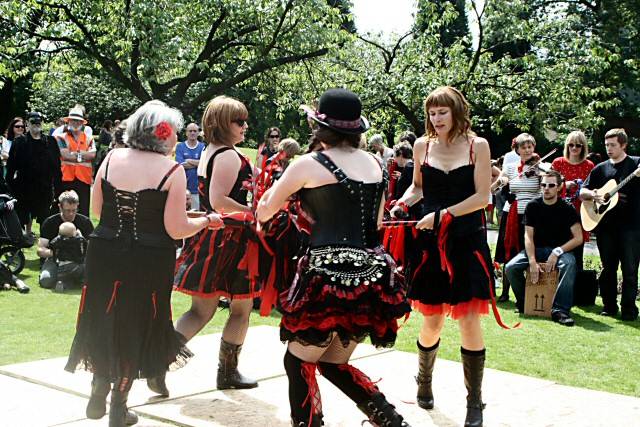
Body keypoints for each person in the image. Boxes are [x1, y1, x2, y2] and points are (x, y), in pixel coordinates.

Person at [258, 88, 411, 427]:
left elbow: (266, 209)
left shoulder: (308, 164)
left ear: (319, 127)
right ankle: (388, 418)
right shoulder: (375, 164)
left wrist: (274, 194)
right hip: (372, 277)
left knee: (297, 360)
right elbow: (377, 224)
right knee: (331, 362)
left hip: (325, 277)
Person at [65, 100, 222, 427]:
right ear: (161, 134)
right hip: (148, 260)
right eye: (174, 131)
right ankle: (119, 407)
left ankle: (98, 386)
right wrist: (205, 220)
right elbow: (175, 228)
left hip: (105, 251)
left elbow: (97, 211)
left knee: (103, 316)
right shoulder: (171, 170)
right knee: (138, 326)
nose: (177, 137)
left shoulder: (110, 158)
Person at [391, 86, 493, 427]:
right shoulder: (422, 145)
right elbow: (419, 187)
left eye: (442, 113)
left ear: (456, 112)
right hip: (430, 242)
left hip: (467, 240)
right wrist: (404, 201)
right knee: (431, 321)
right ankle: (423, 380)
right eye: (432, 113)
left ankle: (474, 402)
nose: (436, 119)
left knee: (468, 320)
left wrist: (443, 215)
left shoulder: (478, 146)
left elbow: (482, 197)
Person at [172, 96, 261, 395]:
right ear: (223, 123)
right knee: (240, 308)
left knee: (201, 310)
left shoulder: (213, 152)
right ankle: (228, 373)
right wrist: (254, 213)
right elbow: (219, 201)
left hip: (214, 236)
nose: (245, 126)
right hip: (230, 240)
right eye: (239, 121)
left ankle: (155, 362)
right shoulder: (227, 155)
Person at [505, 170, 583, 326]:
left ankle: (560, 310)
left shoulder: (567, 208)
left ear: (559, 187)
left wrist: (557, 251)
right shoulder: (533, 206)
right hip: (537, 248)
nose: (546, 188)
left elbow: (578, 238)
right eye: (543, 185)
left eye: (551, 185)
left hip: (560, 250)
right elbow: (528, 236)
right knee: (511, 267)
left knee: (569, 264)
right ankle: (524, 301)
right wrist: (532, 261)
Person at [580, 128, 640, 321]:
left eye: (613, 145)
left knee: (630, 270)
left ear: (623, 145)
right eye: (607, 145)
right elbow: (582, 192)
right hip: (606, 228)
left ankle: (629, 310)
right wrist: (595, 194)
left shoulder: (636, 164)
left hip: (631, 227)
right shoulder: (601, 168)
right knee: (608, 269)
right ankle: (609, 306)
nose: (609, 148)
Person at [491, 133, 543, 302]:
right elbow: (499, 182)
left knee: (530, 252)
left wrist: (541, 174)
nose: (527, 150)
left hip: (532, 215)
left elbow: (546, 187)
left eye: (530, 147)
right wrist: (502, 182)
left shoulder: (540, 167)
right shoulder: (511, 167)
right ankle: (505, 292)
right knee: (509, 252)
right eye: (523, 147)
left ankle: (530, 293)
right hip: (511, 213)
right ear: (517, 150)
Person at [6, 112, 62, 235]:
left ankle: (44, 247)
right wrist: (10, 189)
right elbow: (11, 167)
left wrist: (58, 189)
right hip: (24, 189)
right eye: (33, 122)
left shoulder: (51, 142)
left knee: (45, 221)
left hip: (44, 189)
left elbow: (57, 168)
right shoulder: (19, 142)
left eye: (39, 122)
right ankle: (18, 249)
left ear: (42, 123)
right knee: (21, 219)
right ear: (27, 124)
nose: (36, 124)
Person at [551, 131, 594, 270]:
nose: (574, 148)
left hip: (580, 212)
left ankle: (576, 288)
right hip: (559, 212)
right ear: (566, 146)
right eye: (571, 145)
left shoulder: (589, 165)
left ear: (583, 147)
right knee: (557, 248)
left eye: (578, 145)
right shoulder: (558, 163)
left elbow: (593, 189)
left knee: (577, 252)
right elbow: (548, 186)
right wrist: (564, 185)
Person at [38, 190, 94, 290]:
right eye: (68, 210)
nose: (71, 213)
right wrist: (58, 253)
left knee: (93, 279)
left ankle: (69, 280)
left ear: (77, 206)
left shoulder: (85, 222)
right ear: (60, 207)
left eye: (74, 210)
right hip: (56, 260)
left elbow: (92, 248)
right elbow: (40, 250)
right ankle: (71, 279)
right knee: (46, 281)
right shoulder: (50, 222)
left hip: (79, 260)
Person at [55, 107, 97, 216]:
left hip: (84, 179)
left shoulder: (89, 138)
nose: (76, 123)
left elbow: (92, 155)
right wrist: (82, 155)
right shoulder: (61, 138)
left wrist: (74, 154)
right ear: (68, 121)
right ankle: (64, 231)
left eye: (78, 121)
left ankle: (82, 232)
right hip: (66, 178)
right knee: (64, 209)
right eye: (73, 120)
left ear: (83, 123)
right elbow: (65, 155)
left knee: (83, 211)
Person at [48, 222, 87, 292]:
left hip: (62, 267)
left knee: (66, 280)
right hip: (75, 266)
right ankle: (83, 283)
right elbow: (84, 243)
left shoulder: (58, 241)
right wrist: (80, 234)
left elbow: (52, 244)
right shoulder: (78, 240)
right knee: (83, 272)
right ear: (74, 233)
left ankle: (62, 284)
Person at [175, 123, 206, 211]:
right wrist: (198, 163)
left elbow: (205, 164)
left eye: (195, 131)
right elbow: (180, 165)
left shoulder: (202, 146)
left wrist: (189, 160)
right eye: (190, 131)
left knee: (196, 214)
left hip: (198, 189)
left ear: (198, 133)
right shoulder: (180, 146)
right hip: (183, 189)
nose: (192, 133)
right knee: (182, 213)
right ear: (186, 133)